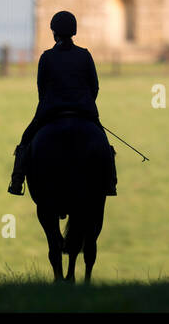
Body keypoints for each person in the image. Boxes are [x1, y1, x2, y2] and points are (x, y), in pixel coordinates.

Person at [8, 10, 117, 196]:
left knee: (26, 140)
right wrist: (85, 105)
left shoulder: (46, 57)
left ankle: (17, 181)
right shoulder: (85, 55)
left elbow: (41, 89)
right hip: (84, 111)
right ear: (73, 31)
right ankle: (110, 183)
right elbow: (94, 87)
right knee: (104, 144)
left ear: (54, 32)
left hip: (50, 111)